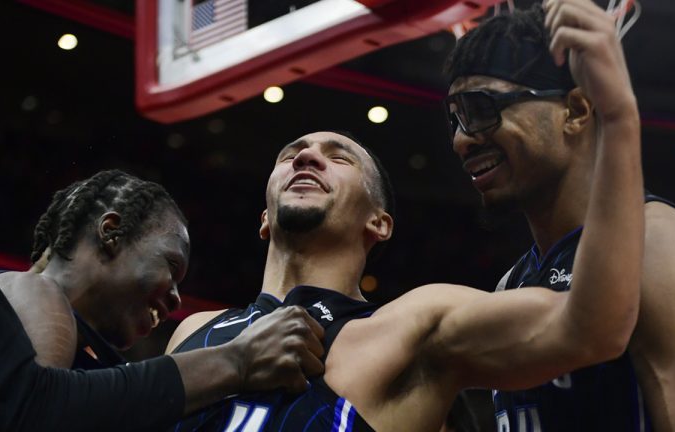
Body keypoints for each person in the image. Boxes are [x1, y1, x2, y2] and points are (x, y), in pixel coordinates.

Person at [167, 6, 644, 424]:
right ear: (264, 218)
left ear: (379, 222)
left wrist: (618, 116)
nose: (306, 158)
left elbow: (593, 328)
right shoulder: (192, 332)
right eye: (291, 154)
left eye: (339, 157)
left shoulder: (417, 324)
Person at [0, 132, 325, 431]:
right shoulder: (36, 290)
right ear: (111, 232)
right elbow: (32, 415)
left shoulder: (72, 348)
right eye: (171, 267)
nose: (175, 298)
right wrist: (237, 360)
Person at [445, 1, 675, 430]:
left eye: (481, 109)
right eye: (454, 118)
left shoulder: (660, 246)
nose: (460, 140)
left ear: (578, 111)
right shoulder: (511, 283)